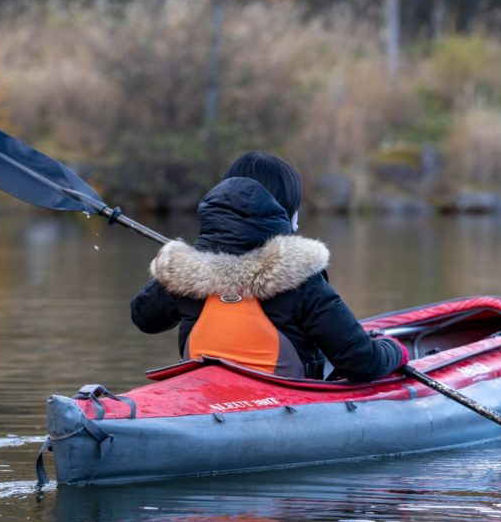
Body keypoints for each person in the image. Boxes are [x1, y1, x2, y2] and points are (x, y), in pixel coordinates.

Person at [130, 152, 408, 383]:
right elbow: (363, 364)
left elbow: (144, 317)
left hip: (204, 398)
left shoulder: (185, 271)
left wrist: (176, 267)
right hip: (284, 403)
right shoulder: (300, 276)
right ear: (286, 214)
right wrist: (394, 350)